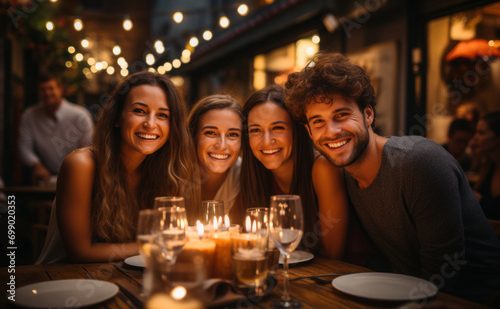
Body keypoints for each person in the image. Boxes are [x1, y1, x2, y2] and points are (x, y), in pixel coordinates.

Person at [284, 52, 500, 305]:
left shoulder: (418, 162)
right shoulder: (343, 174)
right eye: (318, 121)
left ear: (368, 115)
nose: (331, 131)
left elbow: (441, 277)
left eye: (341, 115)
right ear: (309, 132)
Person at [36, 71, 199, 263]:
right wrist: (157, 244)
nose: (150, 124)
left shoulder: (167, 171)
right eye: (139, 111)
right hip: (62, 280)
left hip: (124, 278)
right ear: (116, 117)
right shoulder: (82, 164)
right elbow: (80, 252)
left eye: (162, 115)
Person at [240, 85, 348, 257]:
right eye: (255, 130)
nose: (267, 141)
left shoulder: (322, 168)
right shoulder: (254, 175)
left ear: (297, 130)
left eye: (278, 128)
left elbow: (333, 255)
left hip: (347, 277)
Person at [18, 72, 94, 184]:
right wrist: (37, 165)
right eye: (43, 90)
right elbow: (24, 147)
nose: (47, 93)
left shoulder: (80, 116)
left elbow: (90, 148)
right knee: (15, 199)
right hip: (46, 179)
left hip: (78, 176)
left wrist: (77, 172)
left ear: (60, 89)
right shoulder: (29, 116)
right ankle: (12, 202)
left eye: (50, 88)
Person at [187, 94, 244, 223]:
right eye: (210, 133)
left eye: (233, 134)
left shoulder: (246, 177)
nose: (222, 145)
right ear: (193, 136)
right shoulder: (173, 176)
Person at [470, 111, 500, 220]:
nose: (475, 138)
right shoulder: (489, 164)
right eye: (476, 132)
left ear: (497, 138)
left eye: (481, 133)